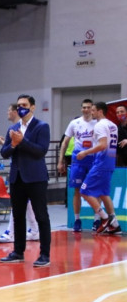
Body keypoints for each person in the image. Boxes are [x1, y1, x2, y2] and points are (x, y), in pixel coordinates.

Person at [0, 95, 52, 267]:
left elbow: (41, 151)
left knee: (41, 216)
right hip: (17, 178)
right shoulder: (13, 128)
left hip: (36, 178)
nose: (21, 108)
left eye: (24, 105)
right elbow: (4, 152)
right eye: (19, 105)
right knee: (18, 216)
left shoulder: (41, 126)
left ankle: (44, 254)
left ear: (33, 107)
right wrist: (14, 144)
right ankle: (18, 252)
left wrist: (22, 141)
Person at [0, 103, 39, 243]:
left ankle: (11, 232)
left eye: (9, 110)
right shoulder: (14, 128)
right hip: (17, 168)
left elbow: (22, 146)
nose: (7, 112)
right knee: (25, 201)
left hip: (26, 169)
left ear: (15, 112)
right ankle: (34, 230)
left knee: (20, 201)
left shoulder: (24, 128)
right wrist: (0, 141)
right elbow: (12, 146)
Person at [78, 101, 121, 235]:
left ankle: (104, 217)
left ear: (100, 111)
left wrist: (85, 152)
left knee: (84, 190)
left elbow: (102, 145)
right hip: (110, 162)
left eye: (93, 110)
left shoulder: (99, 125)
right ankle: (115, 225)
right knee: (104, 193)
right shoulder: (112, 124)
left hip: (101, 162)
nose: (91, 113)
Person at [57, 99, 96, 232]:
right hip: (78, 160)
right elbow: (65, 142)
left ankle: (97, 220)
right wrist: (60, 161)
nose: (86, 110)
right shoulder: (74, 123)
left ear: (92, 109)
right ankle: (77, 219)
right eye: (84, 107)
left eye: (88, 107)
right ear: (81, 109)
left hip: (93, 159)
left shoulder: (97, 123)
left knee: (95, 190)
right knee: (77, 191)